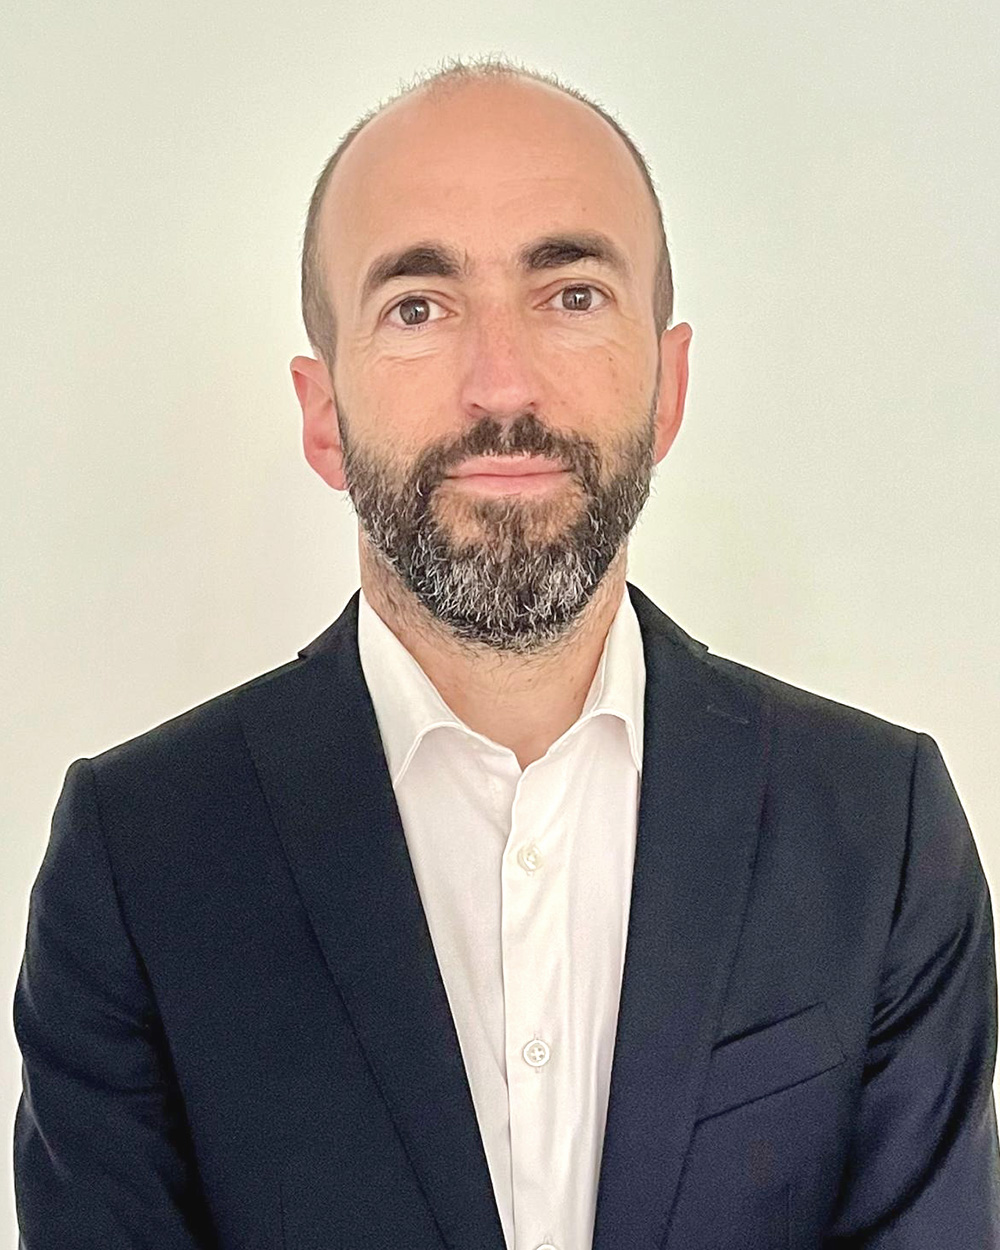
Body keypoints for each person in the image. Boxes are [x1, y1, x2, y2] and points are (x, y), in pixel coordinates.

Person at [13, 56, 999, 1250]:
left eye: (570, 294)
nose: (501, 385)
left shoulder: (878, 828)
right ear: (323, 415)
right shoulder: (138, 856)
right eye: (416, 307)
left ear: (668, 386)